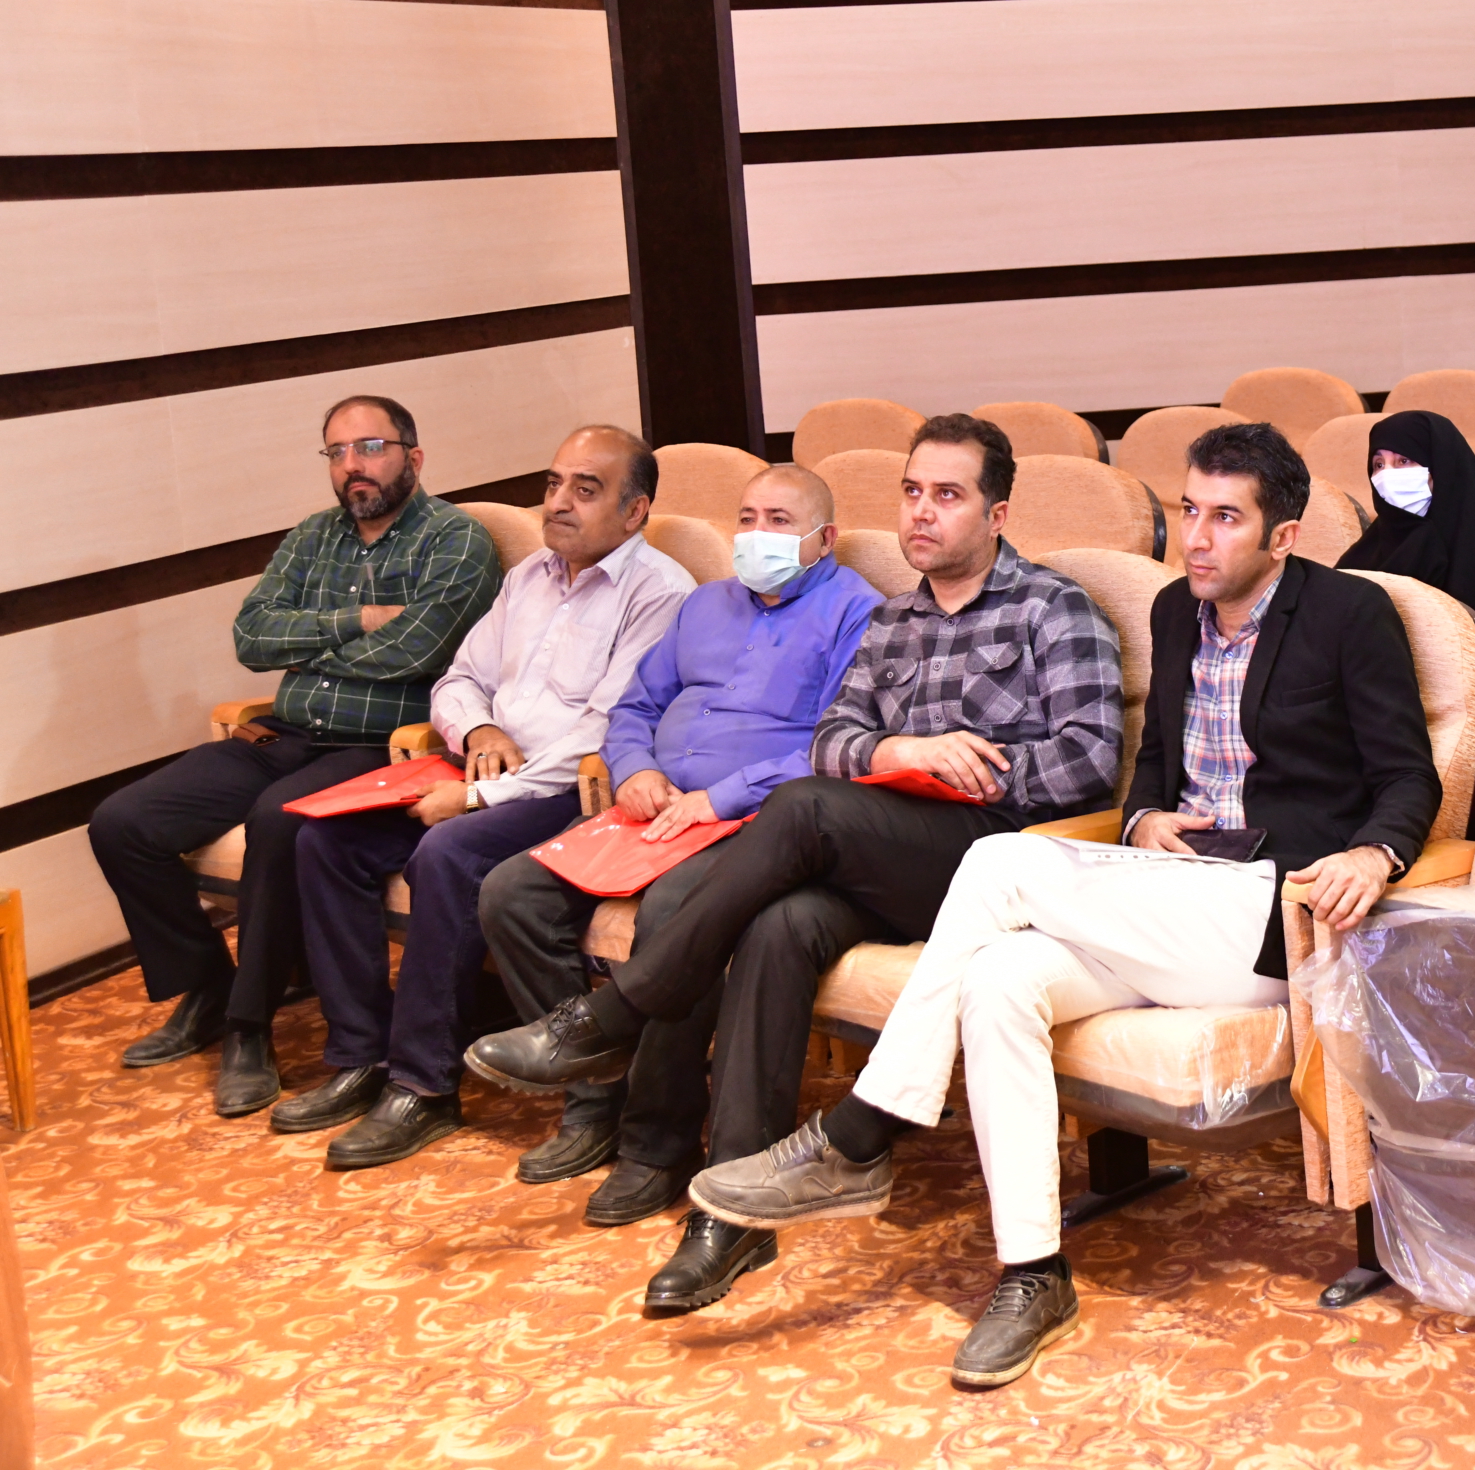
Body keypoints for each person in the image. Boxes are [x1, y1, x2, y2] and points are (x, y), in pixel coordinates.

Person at [682, 423, 1441, 1390]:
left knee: (1001, 861)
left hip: (1268, 909)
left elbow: (1407, 776)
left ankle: (864, 1130)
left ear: (1282, 536)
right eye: (1187, 511)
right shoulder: (1175, 611)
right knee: (999, 979)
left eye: (1225, 518)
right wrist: (1144, 819)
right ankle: (1033, 1272)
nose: (1194, 537)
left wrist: (1375, 852)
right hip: (1168, 897)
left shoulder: (1347, 612)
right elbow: (1153, 767)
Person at [463, 414, 1124, 1312]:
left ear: (996, 514)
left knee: (801, 807)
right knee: (777, 926)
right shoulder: (894, 622)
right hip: (883, 847)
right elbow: (834, 738)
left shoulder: (1052, 607)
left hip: (993, 856)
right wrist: (898, 753)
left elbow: (1089, 759)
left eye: (948, 495)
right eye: (912, 492)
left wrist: (965, 765)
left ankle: (616, 1012)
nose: (922, 512)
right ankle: (731, 1218)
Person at [276, 426, 693, 1169]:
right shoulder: (529, 575)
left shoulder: (660, 592)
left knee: (448, 853)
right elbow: (459, 680)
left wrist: (480, 798)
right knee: (326, 842)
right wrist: (479, 730)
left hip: (571, 788)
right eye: (554, 483)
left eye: (586, 489)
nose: (558, 503)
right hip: (482, 767)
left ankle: (424, 1084)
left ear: (635, 511)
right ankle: (362, 1056)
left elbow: (606, 729)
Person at [474, 464, 880, 1205]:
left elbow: (838, 747)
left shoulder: (858, 612)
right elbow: (635, 705)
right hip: (650, 807)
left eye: (779, 521)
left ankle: (656, 1144)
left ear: (824, 539)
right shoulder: (704, 605)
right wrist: (634, 767)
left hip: (753, 820)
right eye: (747, 517)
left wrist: (717, 798)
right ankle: (600, 1084)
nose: (756, 534)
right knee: (511, 892)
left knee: (670, 914)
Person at [87, 396, 499, 1117]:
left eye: (370, 447)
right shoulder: (313, 536)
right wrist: (360, 618)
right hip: (284, 732)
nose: (352, 465)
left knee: (278, 820)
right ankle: (208, 987)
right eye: (337, 452)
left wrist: (309, 646)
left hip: (380, 744)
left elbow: (418, 651)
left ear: (413, 456)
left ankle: (249, 1028)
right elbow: (251, 637)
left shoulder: (456, 540)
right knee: (122, 822)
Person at [1336, 410, 1475, 710]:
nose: (1387, 475)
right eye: (1378, 464)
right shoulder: (1369, 550)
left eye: (1403, 461)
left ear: (1440, 465)